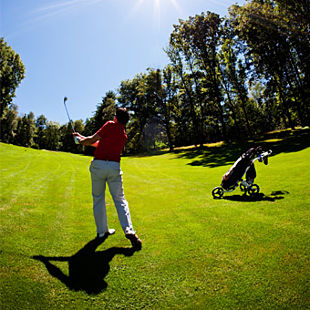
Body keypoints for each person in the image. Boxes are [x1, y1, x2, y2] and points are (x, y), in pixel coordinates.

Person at [73, 108, 142, 250]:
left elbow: (92, 140)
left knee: (98, 198)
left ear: (116, 117)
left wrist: (80, 141)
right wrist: (81, 137)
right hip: (114, 167)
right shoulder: (123, 135)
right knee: (120, 199)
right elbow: (99, 143)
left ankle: (101, 232)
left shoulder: (110, 124)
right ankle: (129, 230)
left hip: (98, 165)